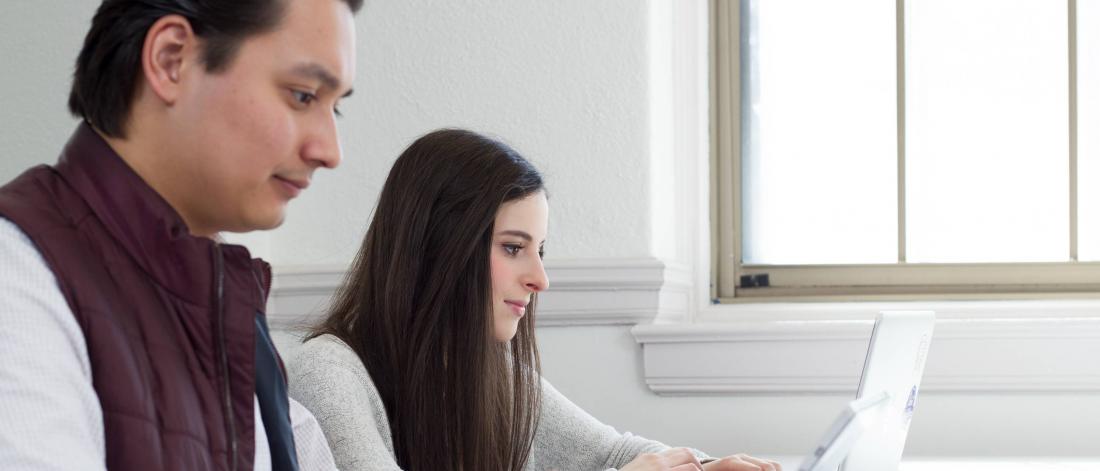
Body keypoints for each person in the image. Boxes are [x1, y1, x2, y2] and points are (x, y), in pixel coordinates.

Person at [288, 129, 783, 471]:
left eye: (538, 250)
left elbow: (610, 456)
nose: (539, 278)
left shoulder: (485, 365)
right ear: (437, 247)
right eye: (512, 248)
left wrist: (707, 465)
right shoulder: (329, 372)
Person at [0, 0, 361, 469]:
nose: (330, 151)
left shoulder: (229, 311)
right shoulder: (18, 277)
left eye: (337, 109)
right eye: (303, 95)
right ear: (172, 60)